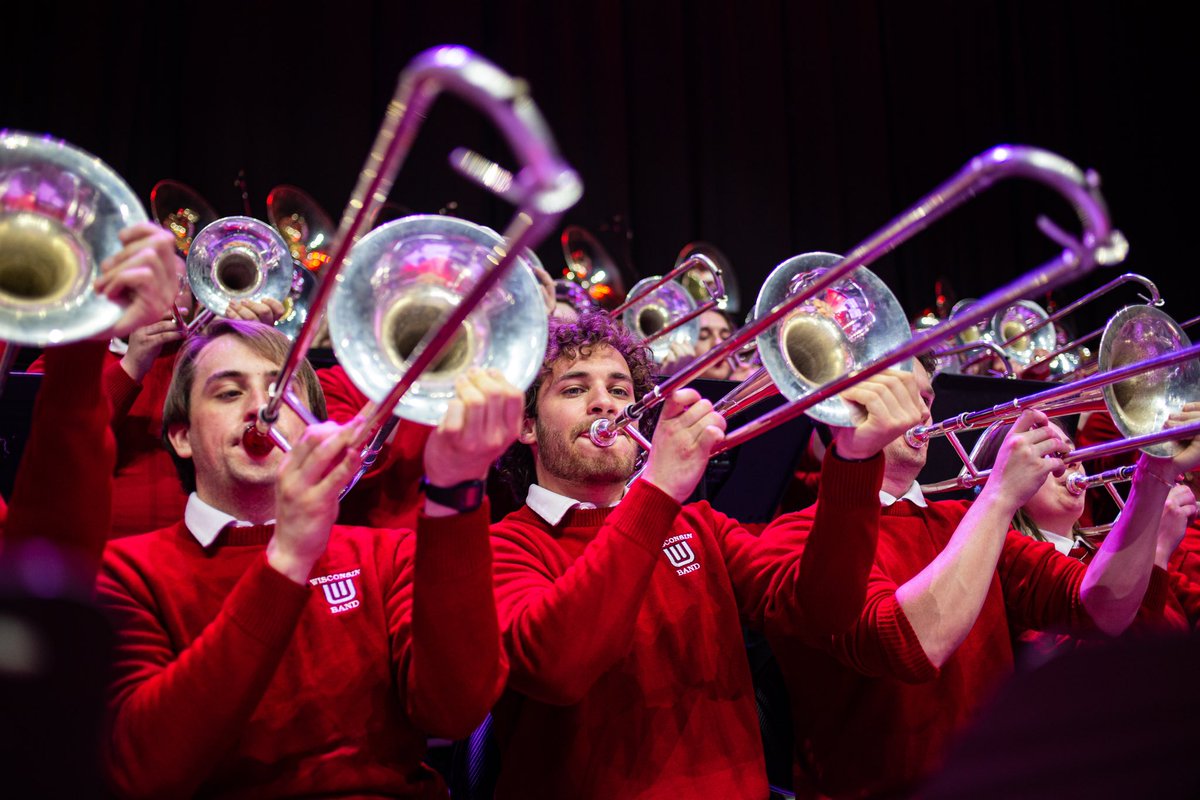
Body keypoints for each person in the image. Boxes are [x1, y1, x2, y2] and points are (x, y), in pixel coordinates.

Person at [487, 311, 930, 799]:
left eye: (619, 391)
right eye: (574, 390)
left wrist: (854, 459)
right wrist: (655, 491)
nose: (604, 405)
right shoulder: (502, 547)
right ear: (527, 425)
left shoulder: (698, 525)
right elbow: (558, 667)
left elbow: (825, 611)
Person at [96, 319, 514, 798]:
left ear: (313, 428)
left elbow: (455, 710)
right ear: (182, 437)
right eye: (229, 393)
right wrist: (288, 558)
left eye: (282, 392)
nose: (262, 409)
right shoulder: (124, 572)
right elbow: (149, 769)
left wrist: (456, 491)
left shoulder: (384, 554)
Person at [763, 355, 1200, 799]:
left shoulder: (959, 520)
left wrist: (1155, 475)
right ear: (842, 406)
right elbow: (908, 648)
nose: (921, 411)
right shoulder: (793, 536)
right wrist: (1000, 495)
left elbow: (1103, 610)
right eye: (900, 392)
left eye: (927, 397)